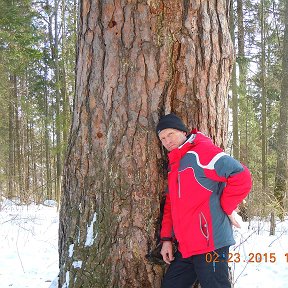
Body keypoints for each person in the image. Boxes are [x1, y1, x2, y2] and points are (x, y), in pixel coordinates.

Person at [156, 113, 252, 288]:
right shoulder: (175, 164)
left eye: (170, 134)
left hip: (211, 245)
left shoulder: (201, 152)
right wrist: (166, 240)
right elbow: (171, 204)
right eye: (162, 138)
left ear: (183, 132)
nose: (167, 141)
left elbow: (241, 175)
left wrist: (227, 206)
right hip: (187, 247)